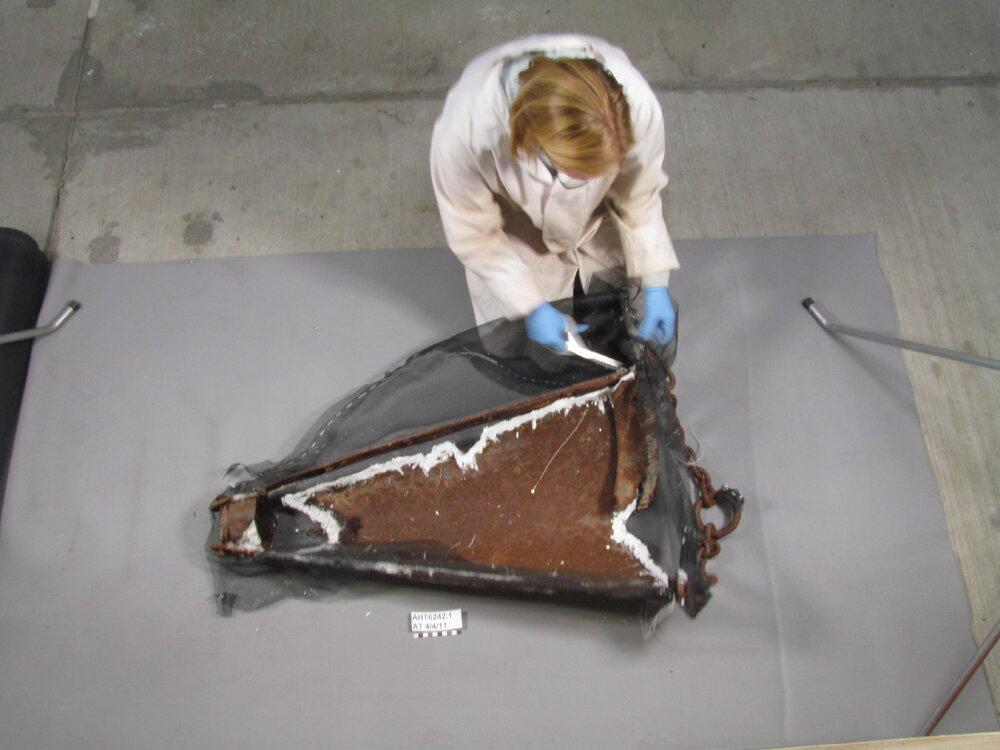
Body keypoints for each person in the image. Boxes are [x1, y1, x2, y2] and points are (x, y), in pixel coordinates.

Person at [430, 34, 678, 354]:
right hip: (517, 222)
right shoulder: (467, 128)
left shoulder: (638, 107)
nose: (586, 181)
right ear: (532, 140)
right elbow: (472, 230)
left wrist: (655, 282)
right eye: (577, 174)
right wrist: (530, 305)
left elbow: (639, 194)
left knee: (614, 308)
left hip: (598, 217)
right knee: (525, 345)